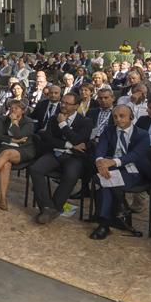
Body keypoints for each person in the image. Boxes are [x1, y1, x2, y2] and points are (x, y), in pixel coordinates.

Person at [91, 105, 151, 240]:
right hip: (110, 169)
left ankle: (104, 224)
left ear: (131, 117)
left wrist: (113, 162)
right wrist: (100, 162)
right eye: (115, 116)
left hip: (134, 170)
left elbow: (135, 155)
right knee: (107, 181)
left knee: (104, 184)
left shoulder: (142, 134)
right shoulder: (109, 130)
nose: (118, 119)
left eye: (122, 116)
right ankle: (118, 208)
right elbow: (100, 148)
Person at [28, 92, 95, 224]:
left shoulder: (86, 122)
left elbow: (78, 140)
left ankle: (55, 207)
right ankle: (47, 207)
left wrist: (63, 124)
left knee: (71, 175)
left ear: (76, 106)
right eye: (62, 102)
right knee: (35, 169)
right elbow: (48, 139)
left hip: (74, 157)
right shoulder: (54, 118)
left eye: (67, 103)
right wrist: (69, 145)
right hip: (55, 153)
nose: (63, 105)